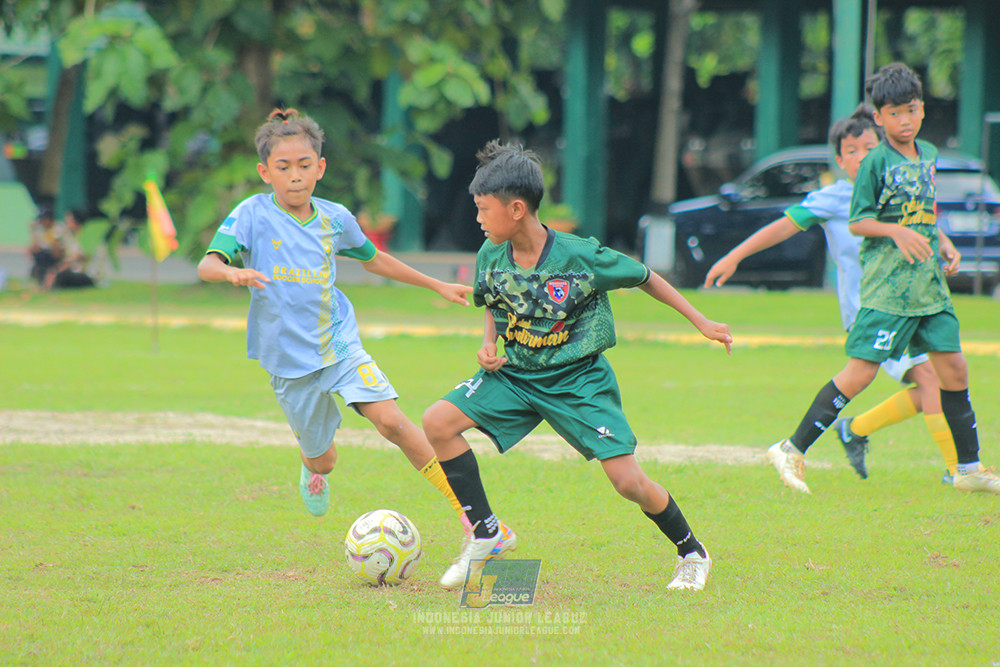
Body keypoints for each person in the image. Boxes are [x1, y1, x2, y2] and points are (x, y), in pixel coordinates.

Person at [422, 140, 733, 593]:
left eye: (483, 209)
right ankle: (485, 532)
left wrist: (700, 321)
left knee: (628, 482)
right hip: (516, 374)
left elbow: (645, 276)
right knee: (437, 422)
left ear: (516, 209)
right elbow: (491, 301)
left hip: (577, 380)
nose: (477, 219)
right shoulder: (492, 252)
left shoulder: (580, 256)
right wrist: (487, 344)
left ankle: (692, 552)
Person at [197, 108, 499, 531]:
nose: (295, 176)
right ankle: (311, 464)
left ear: (320, 167)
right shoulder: (251, 214)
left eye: (304, 165)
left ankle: (470, 516)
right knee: (326, 459)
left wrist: (437, 286)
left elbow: (375, 261)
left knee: (392, 421)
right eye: (283, 168)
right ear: (265, 172)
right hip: (287, 358)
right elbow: (207, 265)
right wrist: (231, 271)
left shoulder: (334, 218)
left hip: (337, 342)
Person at [765, 63, 999, 494]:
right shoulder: (874, 162)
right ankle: (791, 447)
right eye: (893, 113)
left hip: (928, 287)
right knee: (860, 374)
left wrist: (943, 242)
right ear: (879, 118)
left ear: (922, 109)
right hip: (887, 290)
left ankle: (968, 468)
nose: (904, 120)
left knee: (954, 369)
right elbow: (859, 222)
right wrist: (895, 231)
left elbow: (922, 213)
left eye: (910, 110)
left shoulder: (928, 154)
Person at [704, 105, 961, 484]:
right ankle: (957, 470)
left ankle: (855, 431)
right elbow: (783, 227)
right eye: (851, 151)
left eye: (868, 147)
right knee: (926, 381)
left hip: (907, 304)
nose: (860, 157)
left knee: (932, 385)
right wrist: (734, 256)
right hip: (869, 310)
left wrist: (944, 243)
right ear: (840, 160)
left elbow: (918, 222)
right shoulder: (836, 198)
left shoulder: (892, 190)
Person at [45, 208, 96, 289]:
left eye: (68, 221)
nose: (66, 224)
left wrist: (58, 270)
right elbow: (59, 255)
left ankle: (49, 289)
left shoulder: (85, 238)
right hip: (75, 272)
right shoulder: (72, 238)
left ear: (77, 222)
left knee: (60, 276)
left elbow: (75, 259)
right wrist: (56, 242)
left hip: (87, 275)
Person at [28, 204, 66, 285]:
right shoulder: (41, 230)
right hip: (45, 255)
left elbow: (57, 251)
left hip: (57, 256)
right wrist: (33, 233)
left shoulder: (58, 228)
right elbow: (35, 248)